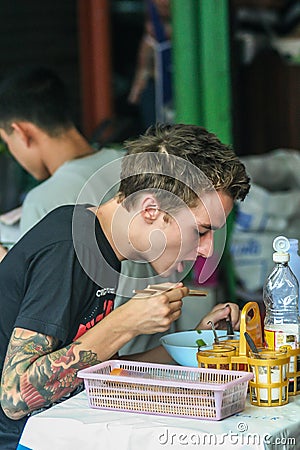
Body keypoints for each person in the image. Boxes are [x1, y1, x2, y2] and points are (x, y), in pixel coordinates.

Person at [0, 122, 250, 448]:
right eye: (201, 230)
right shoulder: (69, 248)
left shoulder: (101, 248)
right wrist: (126, 321)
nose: (206, 249)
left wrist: (196, 343)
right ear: (150, 209)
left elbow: (99, 373)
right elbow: (15, 396)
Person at [0, 65, 126, 254]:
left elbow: (38, 282)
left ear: (21, 132)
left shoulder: (42, 201)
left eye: (7, 142)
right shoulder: (129, 161)